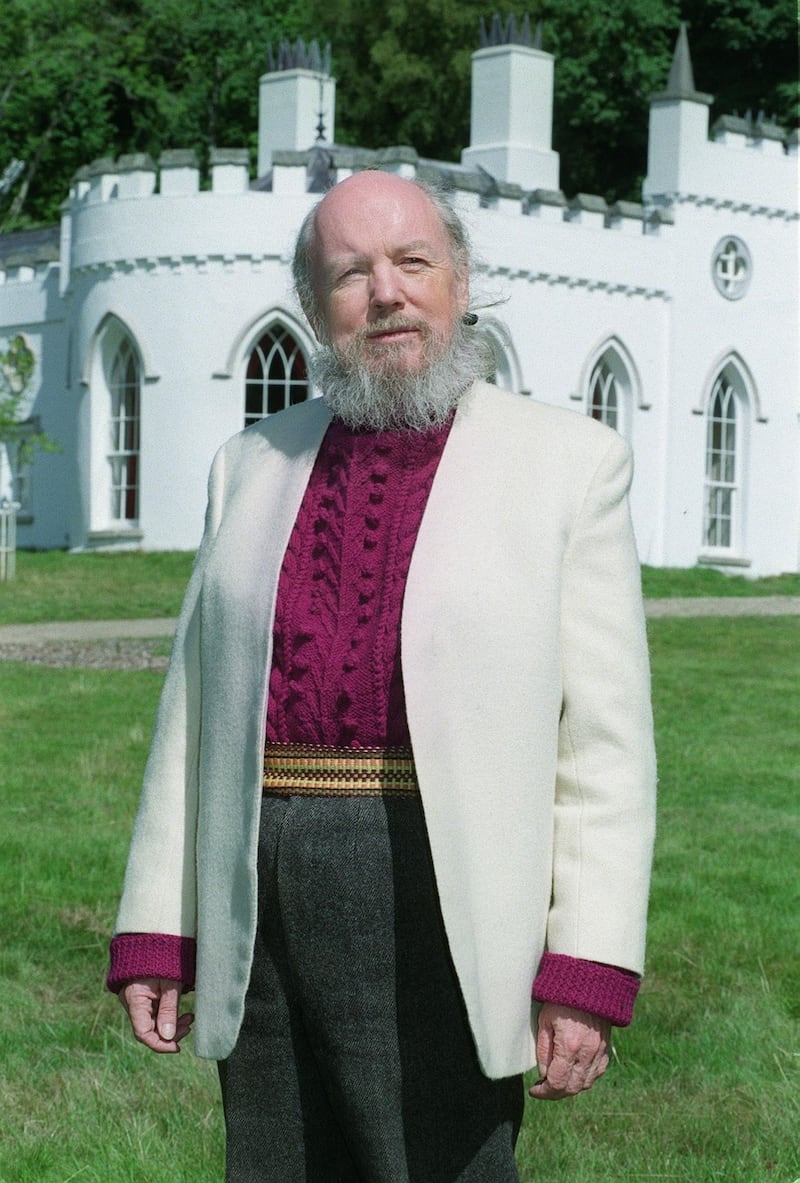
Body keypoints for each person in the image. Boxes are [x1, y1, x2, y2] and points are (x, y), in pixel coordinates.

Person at [108, 170, 657, 1182]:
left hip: (448, 890)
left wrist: (585, 964)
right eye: (350, 274)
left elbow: (604, 752)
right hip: (259, 884)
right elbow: (192, 719)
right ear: (315, 309)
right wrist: (155, 923)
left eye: (413, 262)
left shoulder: (567, 465)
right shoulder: (249, 462)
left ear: (460, 278)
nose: (387, 293)